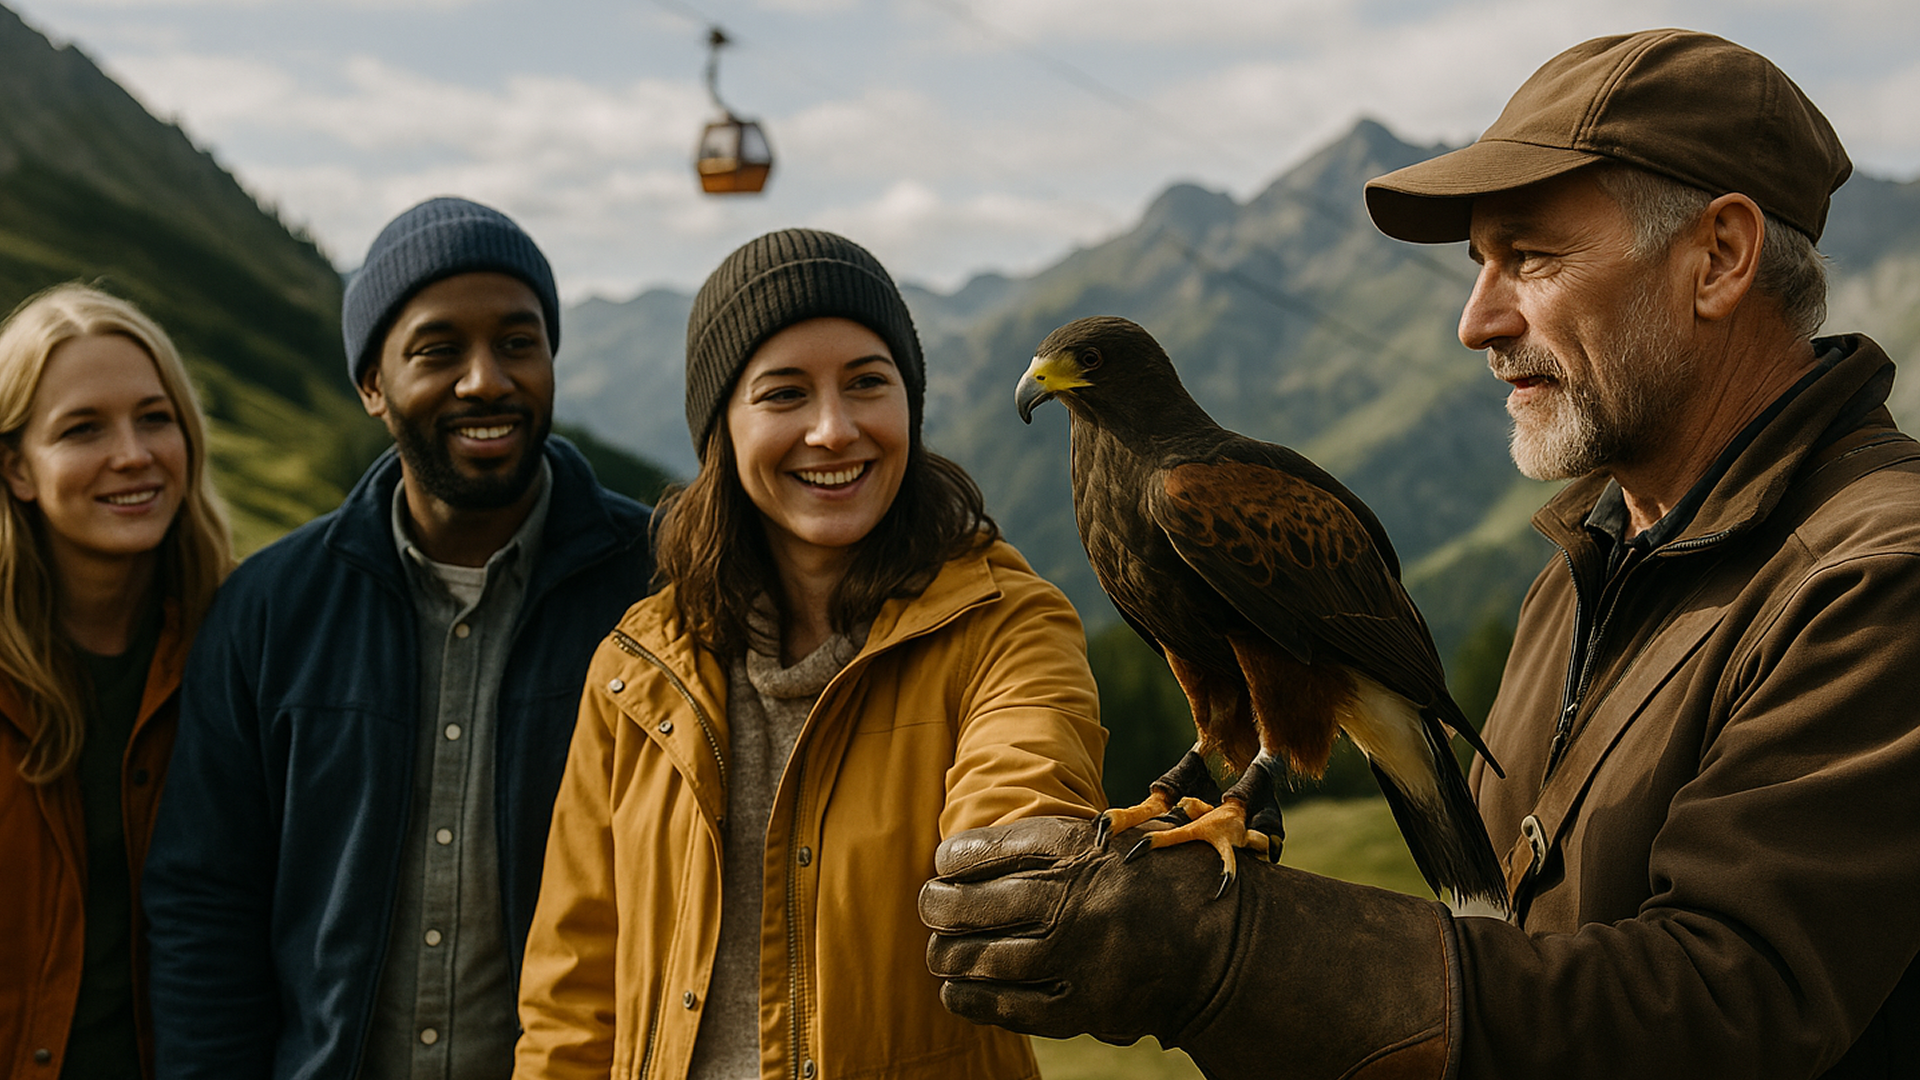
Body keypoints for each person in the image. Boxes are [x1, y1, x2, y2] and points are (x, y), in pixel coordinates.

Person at [919, 29, 1920, 1079]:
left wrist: (1238, 957)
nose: (1475, 321)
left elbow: (1726, 1017)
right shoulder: (1592, 564)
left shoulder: (1876, 576)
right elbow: (1517, 955)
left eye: (1528, 258)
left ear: (1718, 257)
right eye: (1477, 265)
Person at [512, 228, 1107, 1080]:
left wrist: (1012, 872)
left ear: (911, 403)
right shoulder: (635, 672)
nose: (833, 430)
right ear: (722, 425)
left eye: (868, 383)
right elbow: (572, 995)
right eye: (784, 394)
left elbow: (1024, 782)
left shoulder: (1006, 626)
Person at [142, 197, 654, 1080]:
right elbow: (205, 908)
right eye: (438, 350)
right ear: (372, 384)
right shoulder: (267, 612)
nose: (485, 379)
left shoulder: (663, 590)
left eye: (518, 342)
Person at [0, 284, 233, 1078]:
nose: (133, 453)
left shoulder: (246, 648)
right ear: (17, 470)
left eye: (154, 417)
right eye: (82, 429)